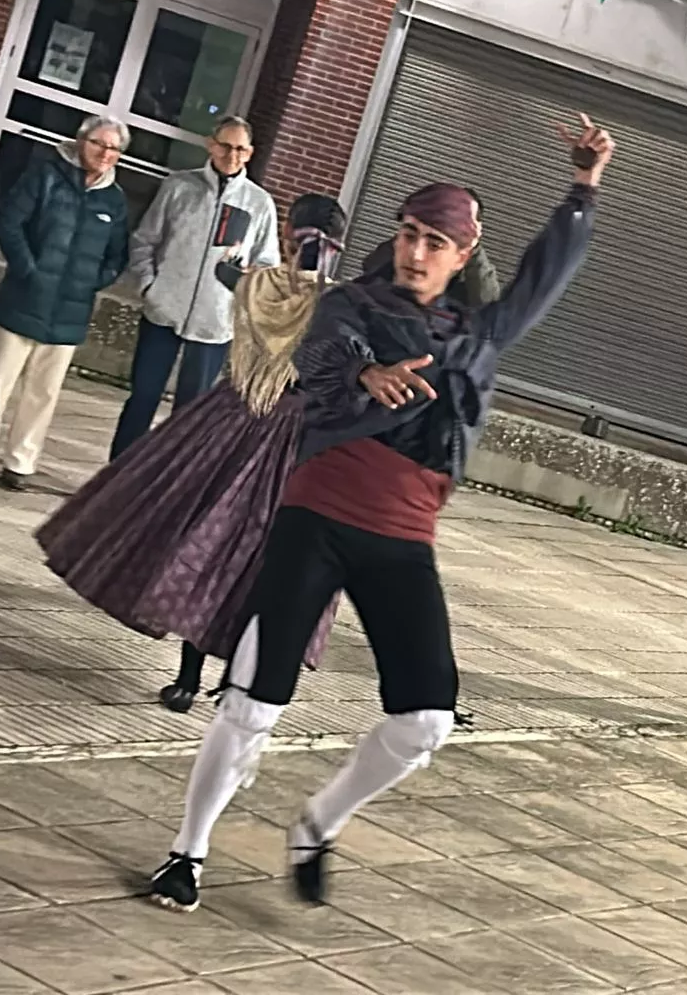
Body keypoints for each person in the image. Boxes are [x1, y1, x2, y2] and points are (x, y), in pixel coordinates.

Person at [144, 114, 614, 914]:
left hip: (402, 538)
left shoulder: (478, 336)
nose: (416, 251)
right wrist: (365, 376)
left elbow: (545, 275)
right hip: (315, 519)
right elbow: (319, 354)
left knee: (426, 722)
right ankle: (187, 852)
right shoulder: (351, 306)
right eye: (408, 234)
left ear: (463, 255)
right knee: (252, 702)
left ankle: (318, 825)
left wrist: (583, 188)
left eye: (436, 242)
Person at [39, 194, 347, 714]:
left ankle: (188, 679)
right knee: (260, 557)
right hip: (298, 440)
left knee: (205, 537)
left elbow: (233, 275)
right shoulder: (339, 304)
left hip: (233, 420)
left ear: (289, 234)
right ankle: (232, 680)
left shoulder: (255, 284)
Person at [0, 118, 129, 491]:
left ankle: (20, 462)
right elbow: (10, 223)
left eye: (114, 148)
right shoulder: (45, 176)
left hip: (70, 312)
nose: (105, 153)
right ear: (81, 141)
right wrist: (27, 269)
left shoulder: (114, 200)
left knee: (43, 393)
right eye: (99, 144)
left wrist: (91, 282)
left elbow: (118, 255)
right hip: (23, 297)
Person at [110, 116, 279, 459]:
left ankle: (171, 478)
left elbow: (267, 264)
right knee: (143, 396)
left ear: (250, 153)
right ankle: (118, 469)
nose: (232, 155)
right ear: (210, 145)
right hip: (163, 311)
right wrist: (149, 287)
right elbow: (144, 240)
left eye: (240, 149)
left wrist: (245, 290)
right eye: (225, 146)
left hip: (215, 323)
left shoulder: (259, 203)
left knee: (190, 413)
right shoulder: (179, 187)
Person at [356, 197, 498, 308]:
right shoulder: (411, 243)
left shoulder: (473, 264)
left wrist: (473, 248)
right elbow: (372, 266)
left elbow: (486, 302)